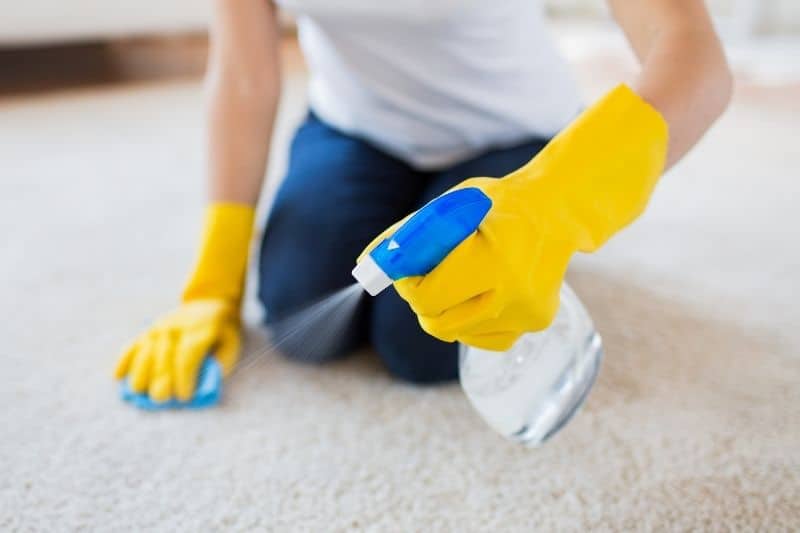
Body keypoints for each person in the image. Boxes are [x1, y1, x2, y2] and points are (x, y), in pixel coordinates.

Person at [114, 0, 732, 401]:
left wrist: (559, 202)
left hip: (512, 138)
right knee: (297, 322)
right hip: (356, 128)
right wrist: (211, 284)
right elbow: (244, 73)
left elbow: (694, 57)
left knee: (422, 343)